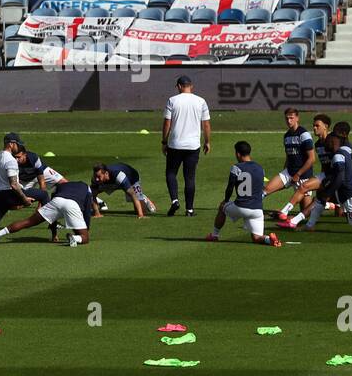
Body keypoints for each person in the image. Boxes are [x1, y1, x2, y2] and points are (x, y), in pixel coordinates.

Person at [206, 141, 281, 247]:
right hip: (257, 210)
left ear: (237, 154)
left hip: (241, 207)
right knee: (257, 238)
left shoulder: (236, 167)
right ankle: (269, 239)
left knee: (222, 207)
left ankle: (214, 235)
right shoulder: (260, 168)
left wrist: (226, 200)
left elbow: (230, 188)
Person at [0, 179, 95, 247]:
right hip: (72, 205)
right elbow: (87, 211)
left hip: (57, 201)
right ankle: (74, 238)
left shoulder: (62, 186)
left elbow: (53, 215)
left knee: (28, 221)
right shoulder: (87, 189)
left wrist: (54, 235)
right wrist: (86, 230)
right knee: (85, 238)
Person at [162, 74, 211, 217]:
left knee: (171, 173)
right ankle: (189, 209)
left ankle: (175, 200)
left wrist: (164, 141)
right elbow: (206, 124)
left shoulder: (172, 100)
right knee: (189, 177)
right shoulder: (201, 101)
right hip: (193, 146)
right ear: (191, 86)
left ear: (178, 86)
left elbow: (167, 123)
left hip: (175, 144)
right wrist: (207, 141)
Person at [91, 161, 156, 218]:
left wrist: (141, 215)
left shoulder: (119, 175)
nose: (97, 179)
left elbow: (132, 194)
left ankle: (144, 198)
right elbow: (93, 195)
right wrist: (97, 213)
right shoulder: (96, 180)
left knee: (141, 209)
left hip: (132, 180)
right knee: (92, 192)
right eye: (95, 176)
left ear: (106, 173)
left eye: (99, 177)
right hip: (110, 183)